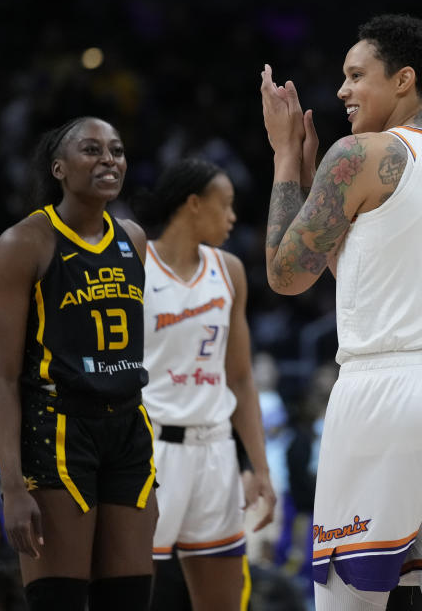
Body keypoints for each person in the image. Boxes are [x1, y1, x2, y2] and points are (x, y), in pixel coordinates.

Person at [260, 14, 422, 610]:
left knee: (347, 600)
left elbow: (285, 275)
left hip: (391, 392)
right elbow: (368, 274)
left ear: (403, 80)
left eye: (355, 75)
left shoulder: (360, 155)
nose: (342, 90)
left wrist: (286, 160)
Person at [0, 116, 157, 611]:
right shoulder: (24, 243)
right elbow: (1, 376)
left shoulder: (134, 239)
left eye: (117, 151)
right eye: (92, 150)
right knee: (58, 599)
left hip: (128, 427)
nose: (108, 159)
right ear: (58, 168)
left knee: (128, 599)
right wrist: (12, 487)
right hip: (57, 427)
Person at [132, 157, 275, 610]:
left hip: (215, 453)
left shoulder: (229, 270)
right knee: (130, 595)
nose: (233, 217)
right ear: (193, 204)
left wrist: (261, 468)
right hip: (151, 450)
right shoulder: (137, 261)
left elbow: (241, 379)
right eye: (225, 205)